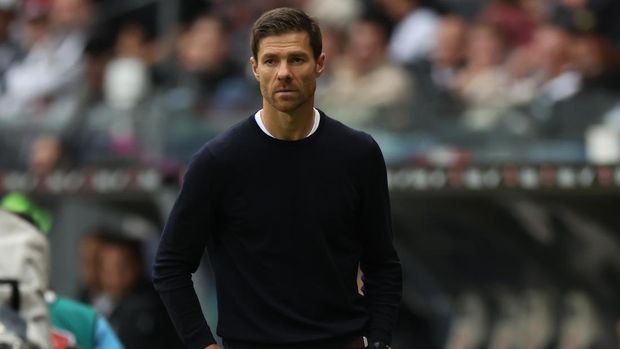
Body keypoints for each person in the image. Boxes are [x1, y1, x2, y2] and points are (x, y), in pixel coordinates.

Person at [152, 7, 402, 349]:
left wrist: (378, 342)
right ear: (254, 68)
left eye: (297, 59)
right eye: (271, 61)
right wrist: (202, 345)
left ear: (320, 64)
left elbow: (383, 265)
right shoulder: (218, 161)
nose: (283, 73)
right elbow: (170, 266)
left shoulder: (358, 154)